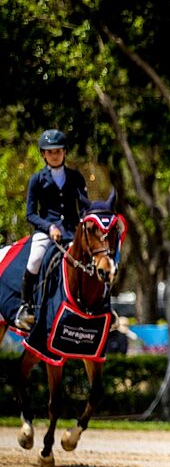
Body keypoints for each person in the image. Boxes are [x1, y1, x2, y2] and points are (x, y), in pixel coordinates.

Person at [13, 129, 90, 331]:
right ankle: (26, 307)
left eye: (58, 151)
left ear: (64, 152)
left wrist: (84, 226)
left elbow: (84, 208)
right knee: (35, 259)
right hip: (47, 230)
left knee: (96, 259)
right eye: (50, 152)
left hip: (73, 230)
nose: (54, 155)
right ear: (43, 154)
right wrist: (49, 227)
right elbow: (30, 214)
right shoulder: (37, 180)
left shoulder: (76, 177)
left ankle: (103, 306)